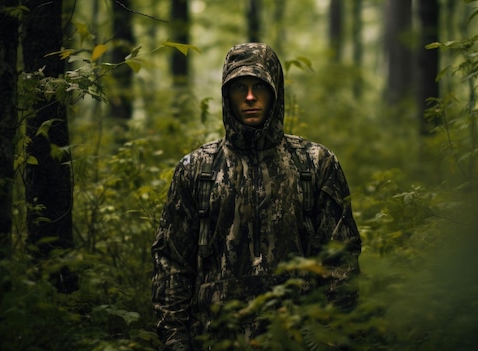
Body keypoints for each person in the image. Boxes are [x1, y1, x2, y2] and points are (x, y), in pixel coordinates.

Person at [151, 42, 361, 350]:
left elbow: (340, 259)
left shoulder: (315, 164)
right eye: (239, 88)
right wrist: (176, 341)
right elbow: (172, 264)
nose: (250, 97)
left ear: (275, 92)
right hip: (216, 340)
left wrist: (329, 338)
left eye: (259, 87)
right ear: (227, 96)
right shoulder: (196, 170)